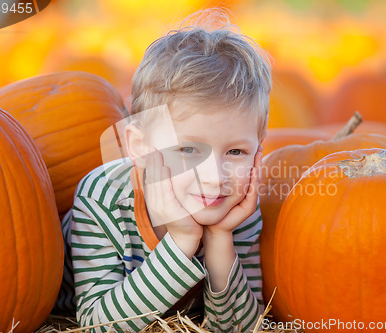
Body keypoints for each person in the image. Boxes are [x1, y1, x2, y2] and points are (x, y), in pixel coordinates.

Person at [54, 8, 272, 333]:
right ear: (139, 146)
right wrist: (183, 240)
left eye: (237, 151)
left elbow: (242, 327)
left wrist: (220, 241)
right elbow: (96, 325)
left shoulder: (238, 211)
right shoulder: (102, 198)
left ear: (258, 152)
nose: (215, 176)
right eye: (187, 149)